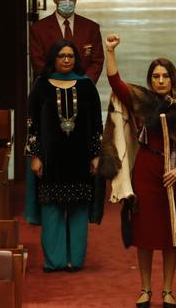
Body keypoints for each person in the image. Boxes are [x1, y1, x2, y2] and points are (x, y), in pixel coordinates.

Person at [101, 34, 176, 308]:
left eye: (165, 76)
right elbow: (116, 83)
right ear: (150, 80)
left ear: (173, 79)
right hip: (145, 173)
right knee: (145, 235)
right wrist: (109, 51)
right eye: (155, 76)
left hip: (174, 179)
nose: (160, 81)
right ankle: (145, 289)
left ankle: (168, 290)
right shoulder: (143, 101)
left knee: (171, 236)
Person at [25, 39, 103, 273]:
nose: (67, 59)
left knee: (78, 210)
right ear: (54, 59)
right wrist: (35, 156)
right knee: (52, 211)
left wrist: (96, 155)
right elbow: (32, 124)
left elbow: (97, 124)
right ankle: (55, 260)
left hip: (80, 159)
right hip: (50, 161)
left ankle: (75, 260)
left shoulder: (87, 86)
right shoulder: (41, 86)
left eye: (70, 56)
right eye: (62, 56)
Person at [29, 0, 104, 83]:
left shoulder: (91, 28)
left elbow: (97, 61)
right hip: (50, 90)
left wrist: (84, 83)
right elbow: (38, 62)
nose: (68, 2)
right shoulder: (39, 29)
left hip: (83, 90)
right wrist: (58, 84)